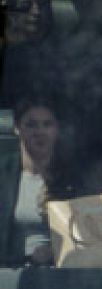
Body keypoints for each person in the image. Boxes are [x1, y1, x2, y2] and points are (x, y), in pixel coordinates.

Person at [0, 97, 80, 266]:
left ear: (57, 129)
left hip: (63, 273)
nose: (39, 132)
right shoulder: (4, 174)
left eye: (47, 124)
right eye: (31, 125)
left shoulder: (73, 176)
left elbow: (89, 234)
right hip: (11, 274)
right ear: (16, 128)